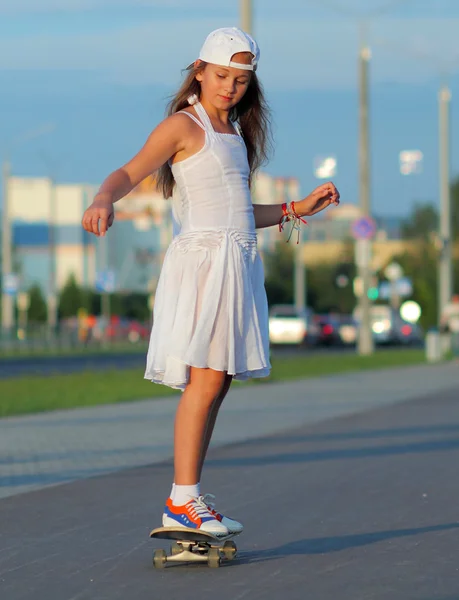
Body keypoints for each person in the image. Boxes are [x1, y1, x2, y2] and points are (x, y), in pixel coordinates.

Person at [81, 27, 340, 536]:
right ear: (199, 71)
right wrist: (102, 199)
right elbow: (126, 173)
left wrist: (294, 208)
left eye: (241, 80)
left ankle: (189, 496)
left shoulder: (236, 135)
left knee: (217, 382)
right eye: (221, 75)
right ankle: (181, 501)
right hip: (203, 263)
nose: (230, 87)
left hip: (237, 262)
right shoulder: (183, 126)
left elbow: (239, 212)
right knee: (204, 380)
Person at [441, 294, 459, 362]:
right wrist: (442, 325)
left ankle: (458, 356)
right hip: (452, 327)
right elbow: (444, 316)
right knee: (453, 342)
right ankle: (455, 355)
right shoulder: (448, 307)